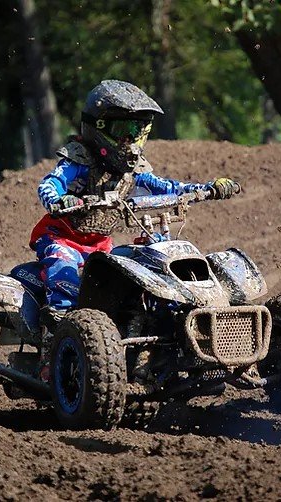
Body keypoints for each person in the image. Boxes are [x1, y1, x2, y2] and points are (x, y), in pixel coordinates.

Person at [30, 80, 237, 329]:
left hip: (100, 247)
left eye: (137, 131)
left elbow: (168, 187)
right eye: (123, 130)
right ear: (99, 127)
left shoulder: (133, 171)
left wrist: (206, 188)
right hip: (61, 239)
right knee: (63, 273)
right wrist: (59, 199)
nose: (130, 140)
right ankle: (57, 337)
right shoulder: (79, 161)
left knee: (146, 262)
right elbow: (50, 184)